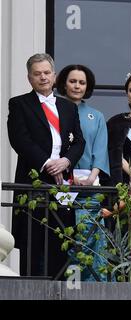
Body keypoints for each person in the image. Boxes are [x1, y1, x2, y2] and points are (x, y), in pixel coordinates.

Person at [7, 53, 85, 278]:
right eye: (37, 74)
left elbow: (79, 141)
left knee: (61, 245)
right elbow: (20, 140)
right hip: (33, 183)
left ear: (54, 75)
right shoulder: (20, 104)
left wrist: (66, 161)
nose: (42, 77)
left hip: (63, 186)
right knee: (33, 249)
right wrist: (47, 163)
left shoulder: (68, 107)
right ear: (30, 78)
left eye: (46, 73)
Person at [55, 64, 110, 281]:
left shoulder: (96, 116)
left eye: (82, 82)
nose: (77, 86)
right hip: (63, 180)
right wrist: (69, 176)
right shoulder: (55, 110)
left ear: (87, 87)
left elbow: (101, 148)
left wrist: (92, 176)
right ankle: (67, 285)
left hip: (90, 180)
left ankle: (92, 287)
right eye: (72, 81)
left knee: (91, 235)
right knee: (65, 231)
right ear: (64, 84)